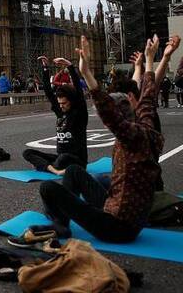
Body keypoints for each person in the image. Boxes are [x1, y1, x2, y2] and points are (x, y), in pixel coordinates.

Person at [13, 35, 163, 245]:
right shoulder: (148, 129)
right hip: (125, 214)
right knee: (75, 172)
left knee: (48, 188)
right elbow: (148, 96)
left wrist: (84, 72)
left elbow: (107, 108)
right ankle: (62, 220)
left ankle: (60, 224)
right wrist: (149, 60)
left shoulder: (131, 137)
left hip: (117, 227)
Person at [22, 56, 88, 175]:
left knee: (63, 159)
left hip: (77, 160)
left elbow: (78, 90)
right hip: (60, 157)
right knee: (27, 153)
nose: (61, 106)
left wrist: (69, 66)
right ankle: (55, 170)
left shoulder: (79, 113)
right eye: (59, 103)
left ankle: (47, 167)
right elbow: (48, 91)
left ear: (71, 101)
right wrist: (45, 68)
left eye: (64, 103)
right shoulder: (60, 111)